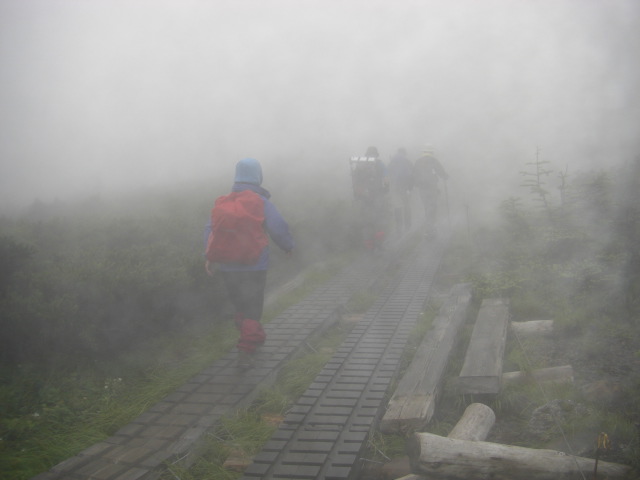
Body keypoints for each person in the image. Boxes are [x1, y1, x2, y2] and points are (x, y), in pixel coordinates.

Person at [204, 157, 294, 368]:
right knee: (253, 307)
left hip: (227, 266)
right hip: (255, 265)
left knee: (240, 305)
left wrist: (209, 257)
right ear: (258, 176)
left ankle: (254, 335)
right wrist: (288, 246)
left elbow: (210, 230)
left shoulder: (223, 202)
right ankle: (246, 350)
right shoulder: (261, 202)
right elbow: (278, 226)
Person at [350, 146, 389, 250]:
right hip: (377, 195)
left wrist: (360, 193)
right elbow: (386, 179)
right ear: (376, 155)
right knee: (379, 218)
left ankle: (369, 245)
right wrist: (386, 188)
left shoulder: (360, 164)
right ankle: (379, 243)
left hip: (363, 197)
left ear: (366, 154)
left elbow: (355, 180)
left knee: (366, 221)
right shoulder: (380, 164)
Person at [413, 144, 449, 239]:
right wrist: (445, 176)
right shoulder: (433, 161)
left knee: (427, 206)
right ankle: (430, 228)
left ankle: (429, 227)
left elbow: (414, 174)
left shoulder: (418, 162)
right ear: (431, 152)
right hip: (432, 187)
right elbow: (441, 171)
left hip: (422, 188)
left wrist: (416, 184)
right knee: (432, 206)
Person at [387, 147, 414, 235]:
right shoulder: (407, 161)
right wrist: (410, 187)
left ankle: (399, 227)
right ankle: (408, 225)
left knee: (397, 206)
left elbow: (388, 173)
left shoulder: (392, 161)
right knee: (407, 205)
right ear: (404, 153)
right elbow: (412, 174)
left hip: (395, 187)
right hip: (405, 186)